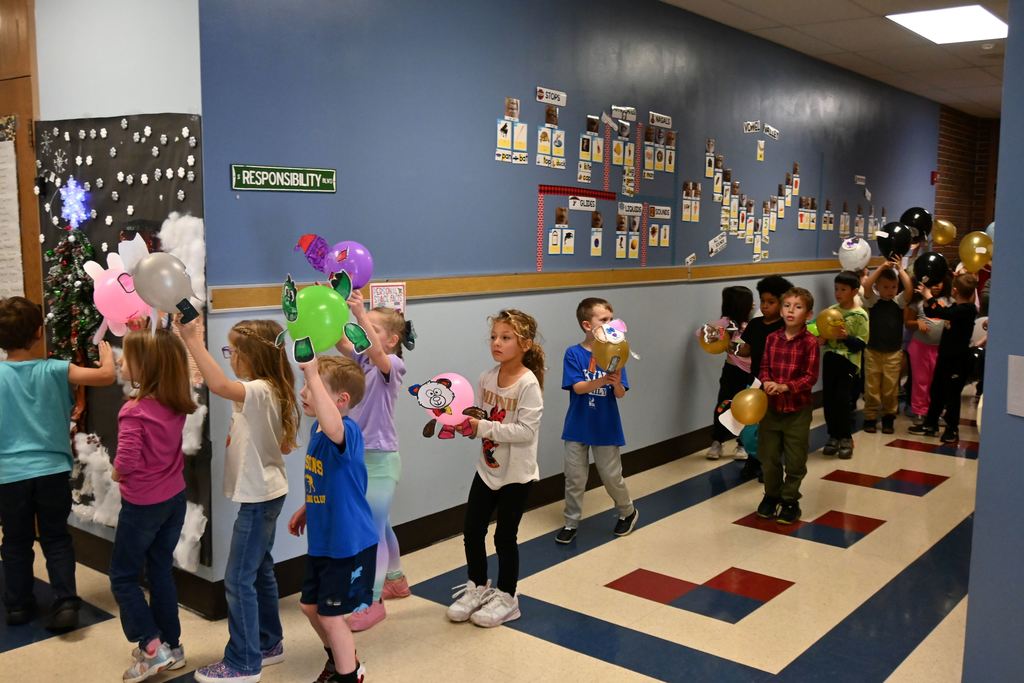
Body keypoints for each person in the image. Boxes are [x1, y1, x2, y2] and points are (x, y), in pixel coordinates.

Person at [177, 319, 300, 683]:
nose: (229, 358)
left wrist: (192, 341)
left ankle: (243, 662)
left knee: (237, 579)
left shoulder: (260, 390)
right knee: (259, 570)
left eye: (231, 351)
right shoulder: (266, 389)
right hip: (267, 494)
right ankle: (268, 643)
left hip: (260, 499)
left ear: (249, 356)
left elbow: (218, 385)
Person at [0, 297, 116, 630]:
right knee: (56, 538)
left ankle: (18, 606)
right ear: (39, 332)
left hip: (9, 475)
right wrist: (106, 355)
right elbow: (106, 377)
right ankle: (65, 603)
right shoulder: (56, 369)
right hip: (51, 471)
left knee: (15, 540)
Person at [110, 328, 197, 682]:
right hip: (173, 499)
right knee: (160, 568)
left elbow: (127, 460)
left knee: (123, 576)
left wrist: (117, 474)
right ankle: (173, 646)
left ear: (144, 366)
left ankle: (150, 646)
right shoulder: (174, 403)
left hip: (142, 506)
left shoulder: (134, 411)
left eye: (126, 356)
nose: (119, 360)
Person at [447, 310, 544, 627]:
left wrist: (483, 427)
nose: (497, 343)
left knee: (505, 537)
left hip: (517, 475)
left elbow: (525, 433)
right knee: (472, 530)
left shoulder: (529, 385)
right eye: (493, 337)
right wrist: (459, 420)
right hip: (487, 469)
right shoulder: (486, 378)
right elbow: (480, 417)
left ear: (525, 344)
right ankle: (477, 586)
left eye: (506, 338)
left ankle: (507, 597)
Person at [288, 356, 377, 683]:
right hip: (324, 541)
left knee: (331, 615)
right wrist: (307, 507)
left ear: (341, 401)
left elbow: (334, 426)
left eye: (313, 388)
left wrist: (311, 371)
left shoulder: (346, 432)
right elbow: (327, 480)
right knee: (310, 608)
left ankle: (348, 676)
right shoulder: (318, 430)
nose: (304, 392)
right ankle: (341, 660)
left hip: (349, 544)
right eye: (305, 386)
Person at [335, 292, 415, 631]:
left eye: (373, 328)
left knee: (369, 532)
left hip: (381, 460)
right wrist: (332, 306)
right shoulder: (361, 361)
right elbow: (339, 340)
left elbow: (377, 352)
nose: (362, 331)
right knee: (379, 524)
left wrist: (360, 312)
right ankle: (394, 578)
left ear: (392, 339)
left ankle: (372, 600)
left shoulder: (391, 365)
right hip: (356, 456)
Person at [555, 297, 637, 545]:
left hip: (606, 426)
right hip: (577, 426)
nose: (609, 324)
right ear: (587, 325)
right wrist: (603, 380)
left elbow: (621, 392)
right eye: (603, 320)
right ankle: (571, 522)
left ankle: (627, 511)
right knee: (575, 477)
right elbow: (578, 388)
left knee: (612, 476)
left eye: (611, 319)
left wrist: (616, 383)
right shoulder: (574, 353)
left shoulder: (617, 351)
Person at [755, 287, 820, 524]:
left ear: (809, 314)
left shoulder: (810, 343)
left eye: (798, 307)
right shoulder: (772, 339)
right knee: (768, 456)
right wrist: (767, 382)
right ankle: (772, 495)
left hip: (797, 410)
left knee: (795, 459)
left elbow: (810, 377)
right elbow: (763, 368)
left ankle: (790, 499)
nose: (791, 310)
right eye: (787, 306)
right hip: (771, 409)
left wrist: (786, 387)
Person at [909, 273, 979, 443]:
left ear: (954, 290)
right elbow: (934, 311)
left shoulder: (967, 310)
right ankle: (930, 423)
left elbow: (942, 312)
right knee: (936, 390)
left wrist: (928, 296)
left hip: (958, 360)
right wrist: (927, 301)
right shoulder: (955, 307)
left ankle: (952, 429)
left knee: (952, 395)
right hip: (945, 356)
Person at [736, 275, 793, 479]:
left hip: (778, 385)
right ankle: (753, 458)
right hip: (756, 382)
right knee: (750, 425)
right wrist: (727, 344)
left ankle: (768, 464)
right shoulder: (756, 325)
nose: (765, 306)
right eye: (763, 301)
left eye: (771, 302)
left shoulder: (786, 328)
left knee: (772, 428)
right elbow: (745, 350)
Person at [821, 271, 869, 459]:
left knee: (843, 401)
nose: (838, 293)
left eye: (843, 289)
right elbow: (822, 333)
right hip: (830, 359)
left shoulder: (860, 315)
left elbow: (862, 344)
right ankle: (833, 435)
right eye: (836, 289)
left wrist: (845, 337)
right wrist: (822, 338)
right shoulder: (831, 311)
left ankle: (846, 437)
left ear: (854, 291)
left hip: (848, 362)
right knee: (829, 400)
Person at [861, 261, 912, 434]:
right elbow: (867, 285)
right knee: (872, 387)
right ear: (878, 287)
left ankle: (888, 417)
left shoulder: (898, 303)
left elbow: (909, 289)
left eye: (893, 286)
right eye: (885, 287)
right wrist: (881, 268)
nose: (890, 290)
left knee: (890, 388)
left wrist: (900, 270)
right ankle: (870, 417)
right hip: (873, 351)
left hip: (893, 353)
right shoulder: (873, 302)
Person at [706, 286, 754, 460]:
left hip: (750, 373)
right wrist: (714, 337)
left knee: (746, 408)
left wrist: (731, 346)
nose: (754, 304)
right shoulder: (725, 324)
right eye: (750, 302)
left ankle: (742, 444)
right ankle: (717, 441)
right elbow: (705, 336)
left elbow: (748, 350)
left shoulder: (752, 325)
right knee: (724, 404)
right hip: (732, 370)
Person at [904, 275, 951, 424]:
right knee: (921, 380)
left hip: (940, 349)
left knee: (936, 382)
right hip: (920, 348)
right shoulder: (917, 302)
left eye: (939, 283)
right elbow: (908, 323)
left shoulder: (948, 302)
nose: (936, 286)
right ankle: (919, 411)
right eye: (932, 284)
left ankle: (934, 411)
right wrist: (917, 323)